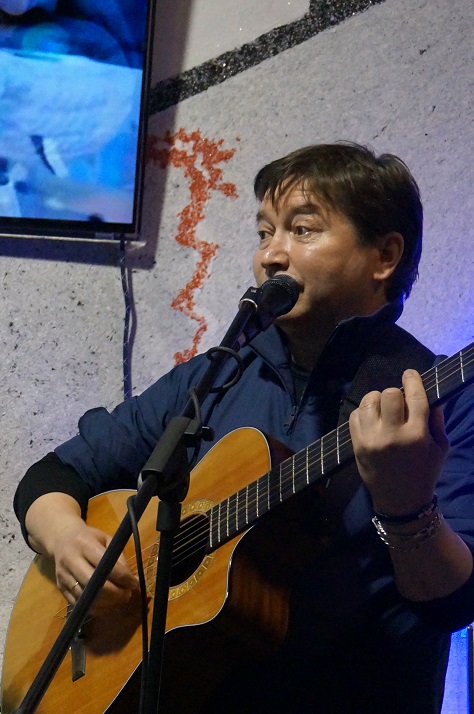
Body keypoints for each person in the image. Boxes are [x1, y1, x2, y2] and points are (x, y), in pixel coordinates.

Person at [13, 142, 474, 713]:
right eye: (263, 232)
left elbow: (453, 603)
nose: (271, 256)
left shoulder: (442, 397)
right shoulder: (214, 376)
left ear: (384, 256)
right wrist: (66, 539)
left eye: (302, 230)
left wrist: (407, 506)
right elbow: (54, 475)